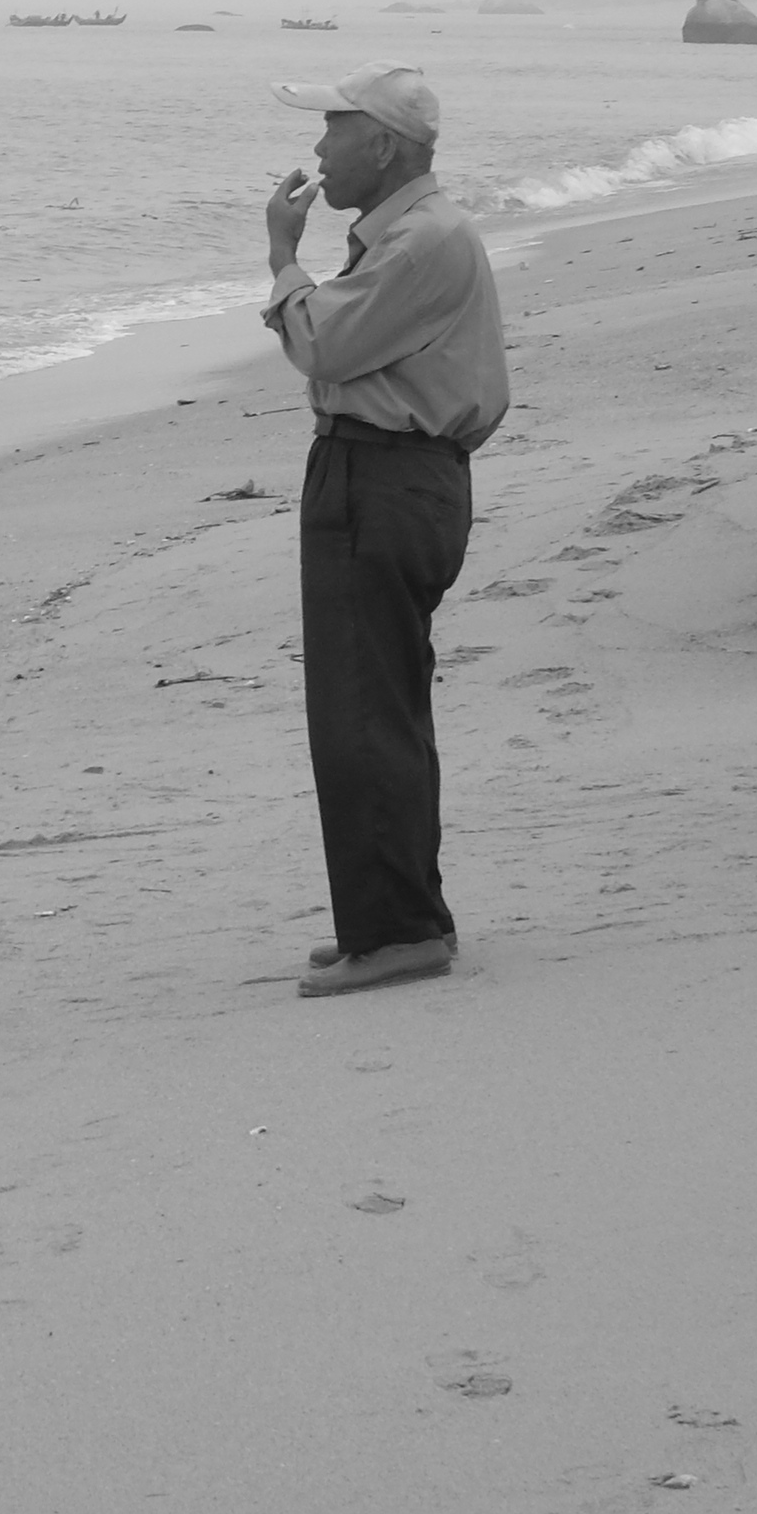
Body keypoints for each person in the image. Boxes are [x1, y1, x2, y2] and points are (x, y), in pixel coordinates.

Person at [258, 65, 508, 995]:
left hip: (387, 479)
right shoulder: (409, 235)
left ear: (384, 146)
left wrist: (284, 257)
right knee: (374, 704)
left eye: (333, 131)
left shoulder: (420, 240)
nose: (319, 149)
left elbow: (321, 343)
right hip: (395, 474)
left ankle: (400, 931)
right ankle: (397, 915)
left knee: (364, 708)